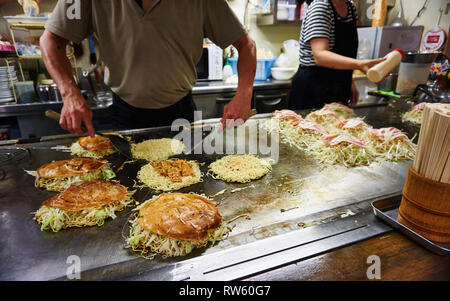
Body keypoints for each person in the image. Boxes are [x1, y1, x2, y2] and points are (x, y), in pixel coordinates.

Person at [40, 0, 256, 137]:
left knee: (185, 196)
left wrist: (243, 97)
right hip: (125, 112)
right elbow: (51, 41)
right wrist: (69, 94)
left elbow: (246, 45)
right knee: (130, 193)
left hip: (180, 112)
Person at [288, 0, 385, 110]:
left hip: (338, 87)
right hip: (314, 88)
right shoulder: (321, 6)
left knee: (338, 125)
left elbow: (343, 52)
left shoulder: (350, 7)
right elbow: (320, 56)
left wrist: (349, 80)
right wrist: (359, 65)